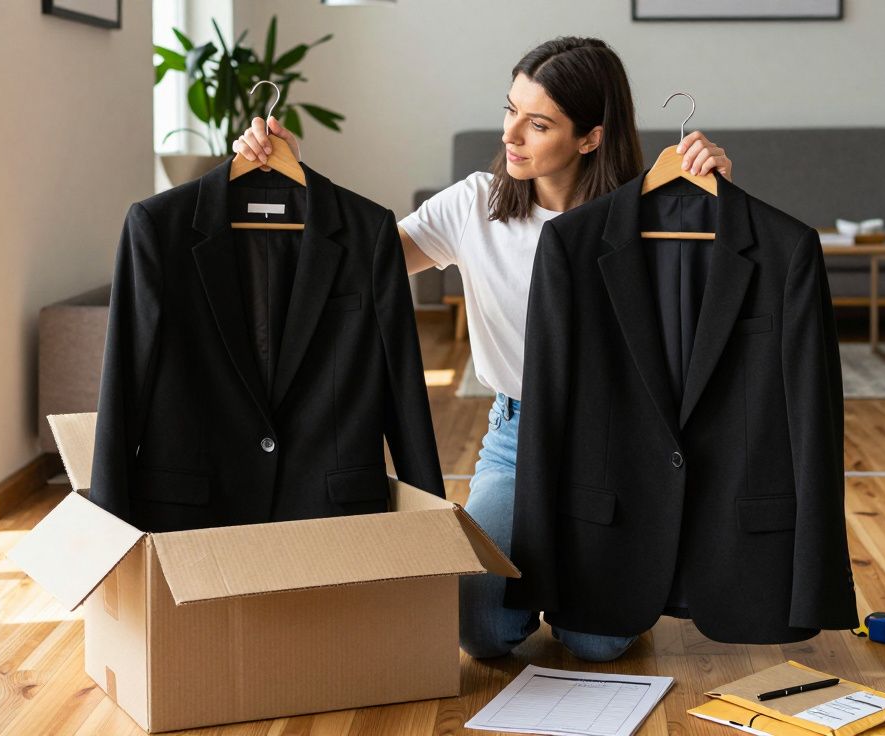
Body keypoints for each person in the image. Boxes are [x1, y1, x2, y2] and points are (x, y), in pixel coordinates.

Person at [234, 36, 734, 662]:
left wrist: (720, 207)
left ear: (591, 138)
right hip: (516, 437)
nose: (511, 135)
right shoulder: (476, 203)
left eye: (538, 122)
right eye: (509, 110)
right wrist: (297, 181)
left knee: (599, 642)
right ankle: (572, 573)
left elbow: (718, 315)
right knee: (482, 631)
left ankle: (613, 579)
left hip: (614, 443)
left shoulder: (649, 217)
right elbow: (358, 267)